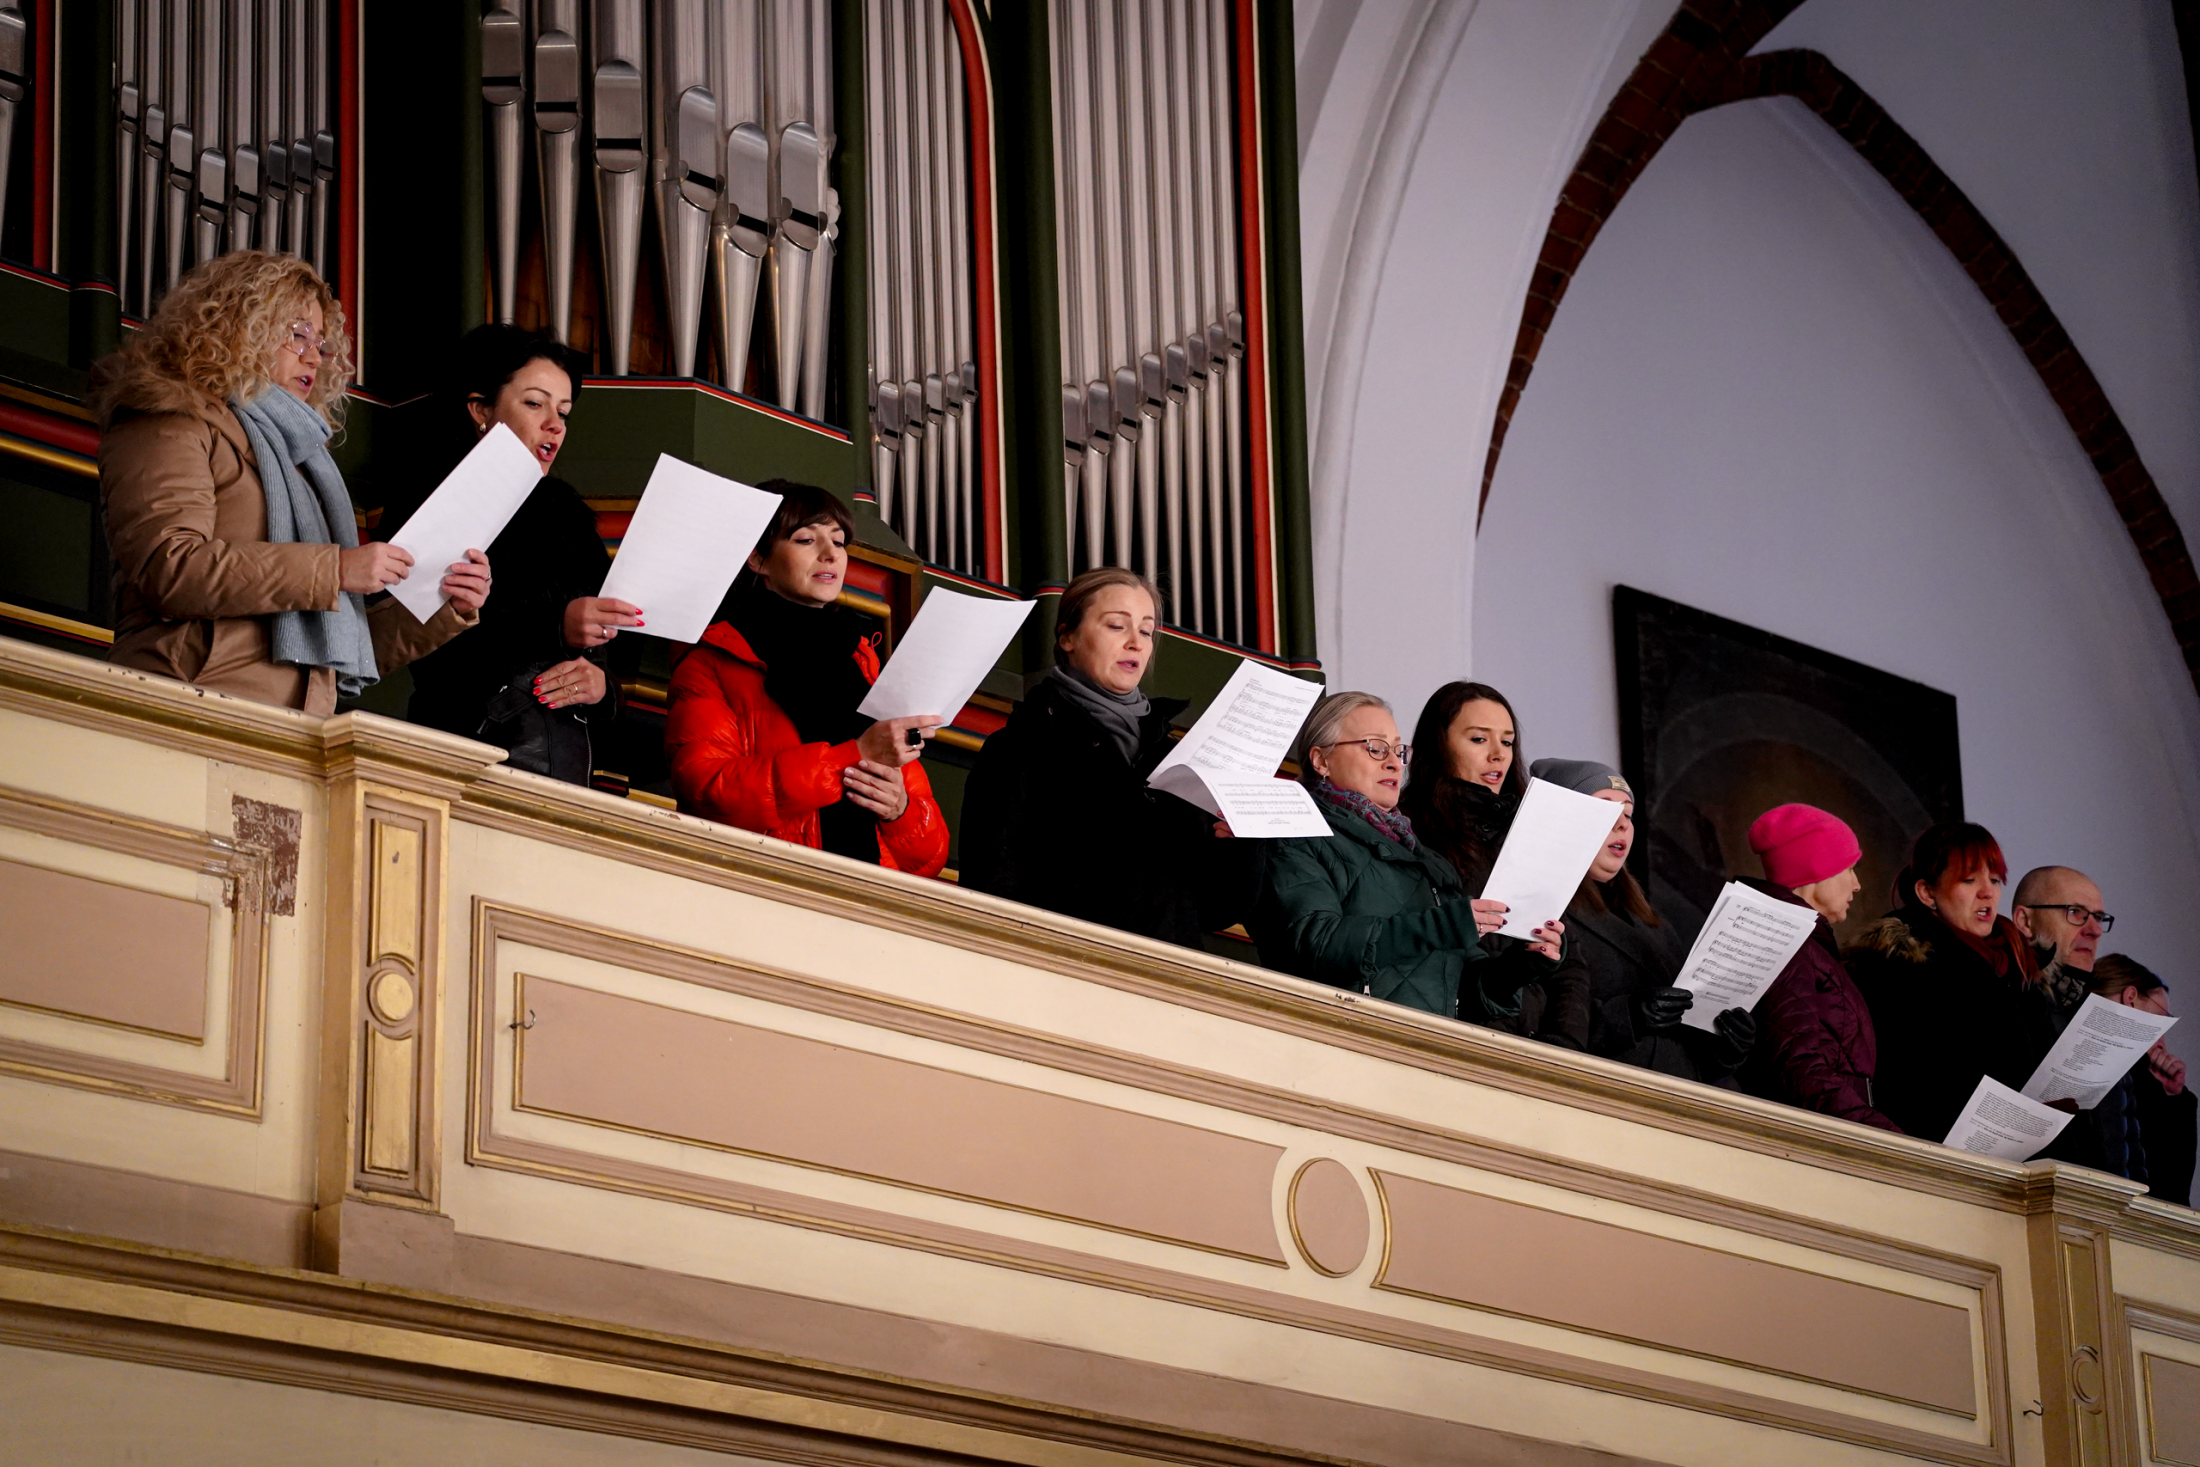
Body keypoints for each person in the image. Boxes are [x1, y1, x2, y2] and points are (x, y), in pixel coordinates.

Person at [93, 249, 488, 714]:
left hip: (298, 726)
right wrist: (334, 570)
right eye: (298, 335)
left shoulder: (302, 461)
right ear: (242, 328)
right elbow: (171, 569)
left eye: (320, 343)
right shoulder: (168, 417)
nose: (314, 357)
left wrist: (445, 605)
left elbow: (339, 653)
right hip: (188, 705)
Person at [383, 325, 641, 784]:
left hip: (566, 760)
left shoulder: (569, 516)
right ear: (481, 410)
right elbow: (421, 645)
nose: (555, 424)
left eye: (564, 411)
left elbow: (611, 659)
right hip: (466, 750)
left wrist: (602, 688)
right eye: (535, 403)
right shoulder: (436, 497)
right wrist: (557, 626)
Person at [958, 567, 1255, 948]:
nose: (1136, 643)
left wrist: (1239, 845)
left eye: (1146, 631)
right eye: (1117, 626)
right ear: (1068, 636)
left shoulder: (1174, 759)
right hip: (1065, 968)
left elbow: (1214, 909)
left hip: (1170, 974)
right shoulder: (1019, 747)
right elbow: (990, 886)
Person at [664, 481, 947, 873]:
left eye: (839, 541)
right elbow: (707, 793)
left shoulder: (861, 662)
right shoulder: (713, 661)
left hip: (863, 893)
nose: (830, 554)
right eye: (805, 540)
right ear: (758, 558)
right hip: (768, 886)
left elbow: (930, 858)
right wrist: (852, 757)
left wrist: (898, 811)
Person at [1252, 693, 1555, 1021]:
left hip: (1428, 1042)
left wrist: (1522, 965)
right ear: (1321, 760)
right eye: (1375, 748)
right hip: (1337, 1035)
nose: (1394, 763)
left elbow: (1465, 993)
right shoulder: (1295, 833)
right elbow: (1315, 945)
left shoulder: (1427, 859)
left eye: (1398, 751)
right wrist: (1439, 925)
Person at [1535, 758, 1756, 1087]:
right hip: (1605, 1096)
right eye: (1605, 809)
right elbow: (1532, 1020)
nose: (1622, 825)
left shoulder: (1656, 925)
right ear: (1564, 820)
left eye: (1628, 814)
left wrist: (1726, 1045)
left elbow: (1689, 1045)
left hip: (1688, 1099)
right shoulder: (1544, 910)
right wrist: (1629, 1015)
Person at [1400, 682, 1588, 1048]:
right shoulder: (1407, 829)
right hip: (1454, 1041)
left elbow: (1570, 964)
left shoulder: (1531, 834)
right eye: (1479, 739)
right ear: (1438, 745)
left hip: (1540, 1050)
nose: (1498, 755)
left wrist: (1565, 1044)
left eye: (1508, 741)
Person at [1844, 822, 2056, 1142]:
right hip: (1944, 1157)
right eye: (1969, 880)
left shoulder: (2022, 967)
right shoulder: (1899, 972)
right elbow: (1907, 1087)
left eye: (1995, 880)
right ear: (1927, 893)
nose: (1987, 892)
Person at [1735, 805, 1899, 1132]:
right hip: (1819, 1137)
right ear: (1817, 869)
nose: (1857, 884)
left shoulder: (1809, 945)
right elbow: (1797, 1067)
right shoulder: (1789, 942)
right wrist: (1882, 1135)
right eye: (1849, 868)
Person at [2010, 864, 2144, 1181]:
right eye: (2075, 913)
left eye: (2098, 917)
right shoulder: (2000, 1007)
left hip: (2110, 1209)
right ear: (2025, 921)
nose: (2094, 930)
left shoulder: (2104, 1022)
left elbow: (2131, 1146)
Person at [2091, 955, 2196, 1208]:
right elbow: (2171, 1191)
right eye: (2161, 1019)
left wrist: (2172, 1097)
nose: (2162, 1038)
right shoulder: (2129, 1078)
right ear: (2131, 998)